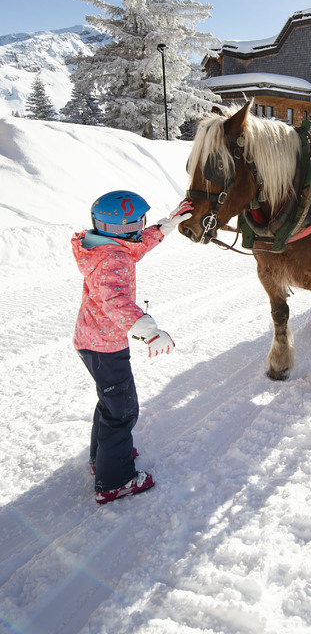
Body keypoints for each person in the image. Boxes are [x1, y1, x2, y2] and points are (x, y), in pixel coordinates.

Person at [71, 190, 192, 505]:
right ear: (121, 228)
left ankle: (102, 457)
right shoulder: (113, 260)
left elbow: (135, 245)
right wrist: (149, 332)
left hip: (93, 341)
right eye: (138, 222)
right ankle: (114, 481)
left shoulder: (104, 246)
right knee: (122, 411)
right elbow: (116, 301)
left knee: (110, 403)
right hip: (105, 346)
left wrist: (166, 226)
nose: (143, 225)